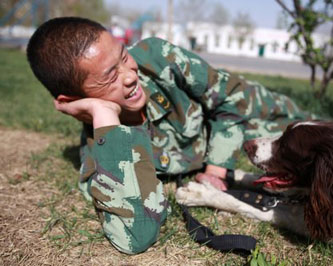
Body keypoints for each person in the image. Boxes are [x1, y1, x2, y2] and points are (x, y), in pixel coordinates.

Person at [26, 17, 310, 254]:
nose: (129, 75)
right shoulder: (101, 156)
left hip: (261, 110)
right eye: (110, 77)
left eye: (124, 56)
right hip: (242, 136)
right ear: (74, 99)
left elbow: (232, 99)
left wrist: (216, 168)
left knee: (316, 137)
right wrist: (104, 115)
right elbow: (136, 237)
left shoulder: (157, 57)